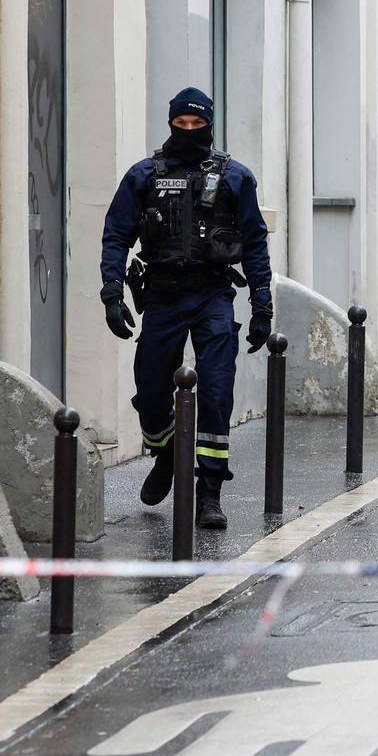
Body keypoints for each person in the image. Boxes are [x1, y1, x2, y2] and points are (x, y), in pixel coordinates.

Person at [100, 87, 271, 531]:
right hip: (162, 296)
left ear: (210, 125)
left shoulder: (236, 178)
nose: (189, 131)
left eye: (198, 124)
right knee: (152, 390)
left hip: (213, 295)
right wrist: (112, 293)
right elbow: (116, 235)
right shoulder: (144, 176)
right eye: (182, 124)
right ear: (170, 123)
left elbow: (254, 243)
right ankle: (166, 452)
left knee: (215, 393)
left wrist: (262, 304)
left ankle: (209, 493)